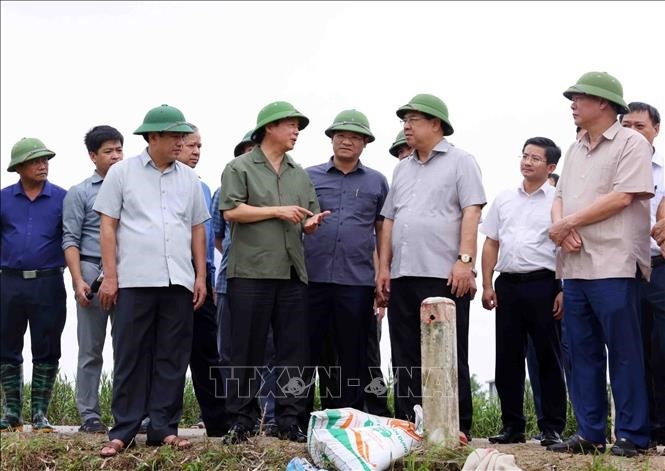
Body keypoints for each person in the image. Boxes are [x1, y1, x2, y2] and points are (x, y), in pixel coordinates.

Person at [547, 72, 653, 457]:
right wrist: (561, 227)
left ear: (604, 103)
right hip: (575, 265)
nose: (572, 104)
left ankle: (632, 435)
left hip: (614, 263)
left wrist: (569, 223)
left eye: (578, 98)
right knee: (582, 352)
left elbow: (624, 196)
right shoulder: (574, 148)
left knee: (624, 352)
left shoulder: (632, 143)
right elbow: (558, 196)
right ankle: (590, 433)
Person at [94, 104, 209, 457]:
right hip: (133, 279)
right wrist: (110, 277)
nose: (180, 142)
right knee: (130, 353)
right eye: (174, 136)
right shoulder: (122, 173)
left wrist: (201, 275)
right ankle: (124, 430)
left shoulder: (190, 179)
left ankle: (163, 428)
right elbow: (108, 226)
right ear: (153, 137)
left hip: (178, 279)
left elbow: (197, 228)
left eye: (182, 136)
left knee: (172, 356)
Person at [376, 93, 486, 439]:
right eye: (404, 121)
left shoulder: (461, 162)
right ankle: (410, 425)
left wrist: (465, 261)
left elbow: (472, 210)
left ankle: (455, 427)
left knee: (448, 354)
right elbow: (390, 219)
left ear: (436, 124)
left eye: (414, 120)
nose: (406, 126)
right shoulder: (402, 168)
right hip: (403, 273)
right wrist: (383, 269)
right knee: (404, 353)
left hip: (444, 274)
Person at [219, 101, 329, 444]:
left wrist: (310, 224)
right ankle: (241, 421)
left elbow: (308, 216)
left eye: (298, 127)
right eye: (291, 126)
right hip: (250, 271)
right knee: (245, 351)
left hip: (293, 272)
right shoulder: (239, 167)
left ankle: (289, 420)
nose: (296, 132)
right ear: (270, 128)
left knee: (293, 352)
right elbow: (231, 211)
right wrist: (277, 211)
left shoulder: (300, 174)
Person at [480, 137, 566, 447]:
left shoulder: (559, 200)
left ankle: (552, 427)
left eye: (535, 158)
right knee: (507, 358)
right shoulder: (504, 199)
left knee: (548, 358)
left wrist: (563, 289)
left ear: (551, 166)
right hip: (508, 286)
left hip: (544, 284)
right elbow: (491, 242)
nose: (527, 162)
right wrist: (488, 283)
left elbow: (566, 249)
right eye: (525, 156)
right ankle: (512, 426)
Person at [304, 109, 389, 414]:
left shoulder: (377, 182)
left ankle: (350, 413)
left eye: (354, 137)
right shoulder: (308, 176)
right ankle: (299, 417)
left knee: (353, 352)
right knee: (308, 349)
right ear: (331, 139)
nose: (346, 141)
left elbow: (381, 229)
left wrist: (382, 272)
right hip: (312, 276)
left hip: (356, 280)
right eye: (340, 135)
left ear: (365, 143)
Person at [0, 138, 67, 433]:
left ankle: (40, 413)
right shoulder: (2, 199)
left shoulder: (63, 198)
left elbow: (72, 239)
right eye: (35, 161)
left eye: (45, 160)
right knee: (6, 346)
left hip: (48, 282)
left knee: (48, 345)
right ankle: (12, 412)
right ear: (19, 168)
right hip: (8, 282)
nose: (43, 165)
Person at [62, 125, 124, 434]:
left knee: (128, 347)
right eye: (108, 151)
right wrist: (77, 280)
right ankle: (89, 415)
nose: (115, 156)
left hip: (127, 272)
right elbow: (70, 239)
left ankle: (127, 414)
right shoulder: (80, 192)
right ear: (92, 156)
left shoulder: (132, 187)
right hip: (89, 269)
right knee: (90, 348)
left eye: (119, 150)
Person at [175, 125, 227, 436]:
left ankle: (218, 423)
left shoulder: (204, 188)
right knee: (168, 353)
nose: (196, 151)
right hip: (172, 279)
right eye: (191, 145)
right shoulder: (155, 185)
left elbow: (210, 239)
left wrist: (205, 278)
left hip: (202, 279)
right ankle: (161, 420)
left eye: (200, 146)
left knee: (208, 354)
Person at [620, 101, 665, 446]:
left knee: (661, 347)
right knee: (629, 350)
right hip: (620, 269)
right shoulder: (610, 173)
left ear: (656, 131)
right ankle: (637, 430)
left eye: (640, 126)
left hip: (659, 268)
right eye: (627, 126)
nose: (633, 133)